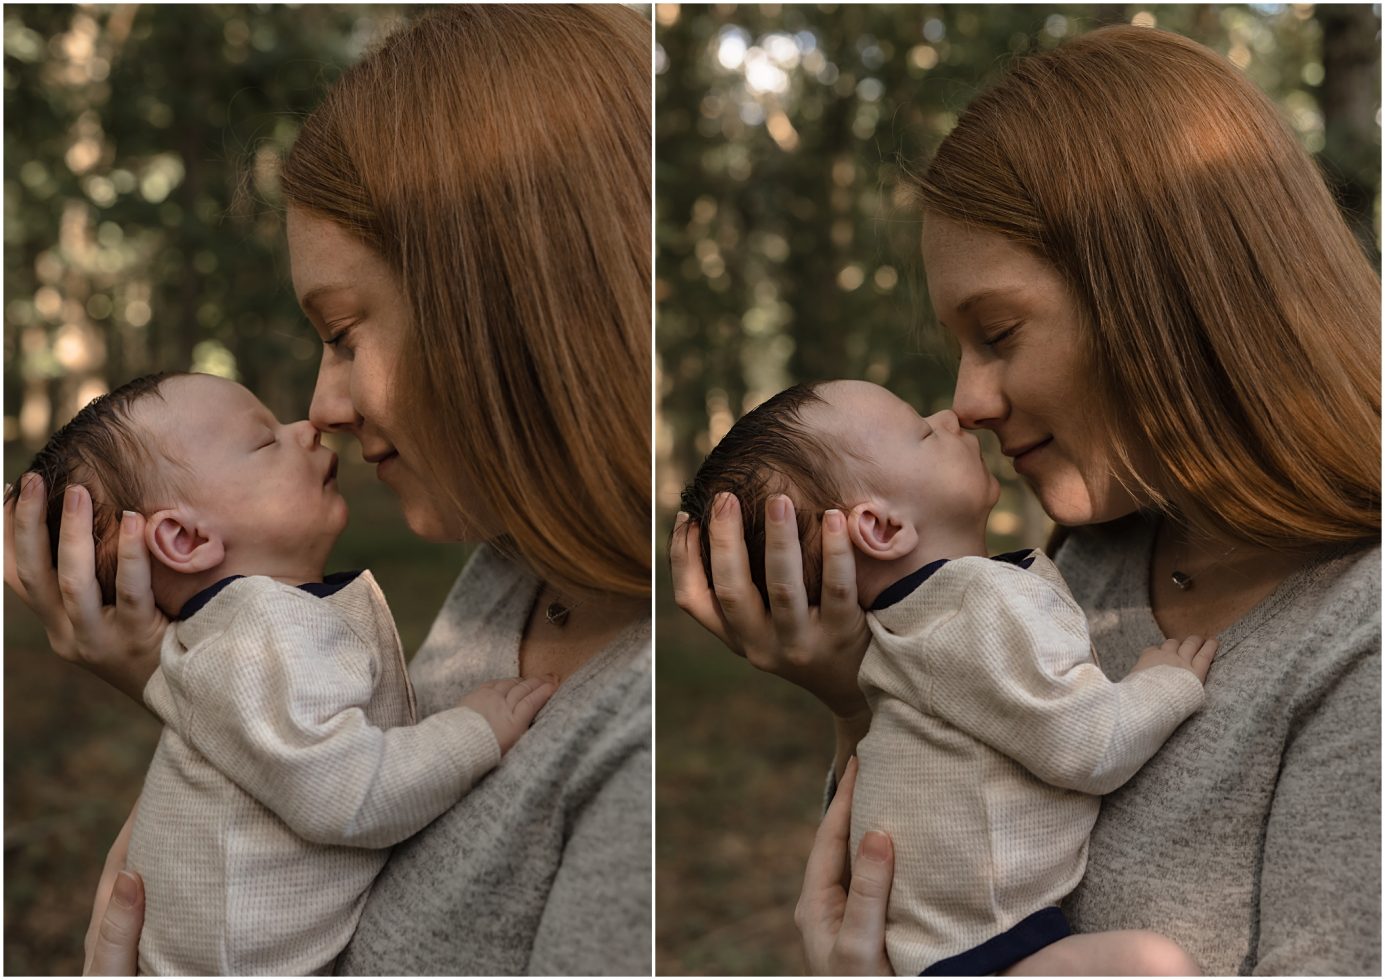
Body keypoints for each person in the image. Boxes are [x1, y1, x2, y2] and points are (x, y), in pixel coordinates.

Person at [672, 24, 1380, 976]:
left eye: (998, 332)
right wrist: (852, 696)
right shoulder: (1083, 565)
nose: (967, 400)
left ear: (1163, 293)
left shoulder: (1355, 635)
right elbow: (923, 899)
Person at [5, 5, 651, 976]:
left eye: (344, 333)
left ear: (506, 303)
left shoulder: (632, 739)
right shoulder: (508, 574)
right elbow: (321, 786)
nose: (322, 407)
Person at [8, 371, 555, 974]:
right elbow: (349, 795)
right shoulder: (264, 637)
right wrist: (474, 731)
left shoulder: (234, 636)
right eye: (265, 441)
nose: (306, 427)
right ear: (186, 538)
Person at [682, 378, 1217, 975]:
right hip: (989, 952)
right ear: (881, 529)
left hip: (930, 953)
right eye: (921, 431)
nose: (951, 416)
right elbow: (1089, 745)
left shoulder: (899, 635)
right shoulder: (977, 604)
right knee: (1151, 966)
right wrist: (1164, 683)